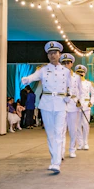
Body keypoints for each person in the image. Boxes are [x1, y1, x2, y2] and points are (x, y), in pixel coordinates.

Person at [22, 41, 72, 174]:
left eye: (55, 53)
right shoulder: (43, 70)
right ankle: (54, 158)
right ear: (47, 55)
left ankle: (56, 162)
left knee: (58, 132)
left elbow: (70, 86)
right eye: (50, 53)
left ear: (59, 54)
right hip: (47, 103)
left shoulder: (66, 71)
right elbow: (33, 77)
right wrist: (26, 79)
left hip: (61, 103)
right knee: (50, 134)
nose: (52, 55)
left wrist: (69, 97)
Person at [60, 53, 83, 158]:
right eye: (63, 63)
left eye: (68, 63)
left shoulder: (77, 77)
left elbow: (81, 91)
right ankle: (61, 152)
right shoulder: (58, 76)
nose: (66, 64)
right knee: (61, 129)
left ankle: (72, 149)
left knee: (73, 129)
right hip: (61, 103)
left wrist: (79, 101)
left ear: (71, 63)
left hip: (73, 104)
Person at [75, 64, 94, 150]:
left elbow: (93, 94)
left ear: (84, 73)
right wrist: (76, 101)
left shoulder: (89, 83)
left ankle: (86, 142)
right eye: (78, 72)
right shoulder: (74, 83)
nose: (80, 73)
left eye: (82, 72)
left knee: (86, 124)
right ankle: (80, 143)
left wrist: (91, 102)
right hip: (77, 106)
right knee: (78, 125)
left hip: (86, 106)